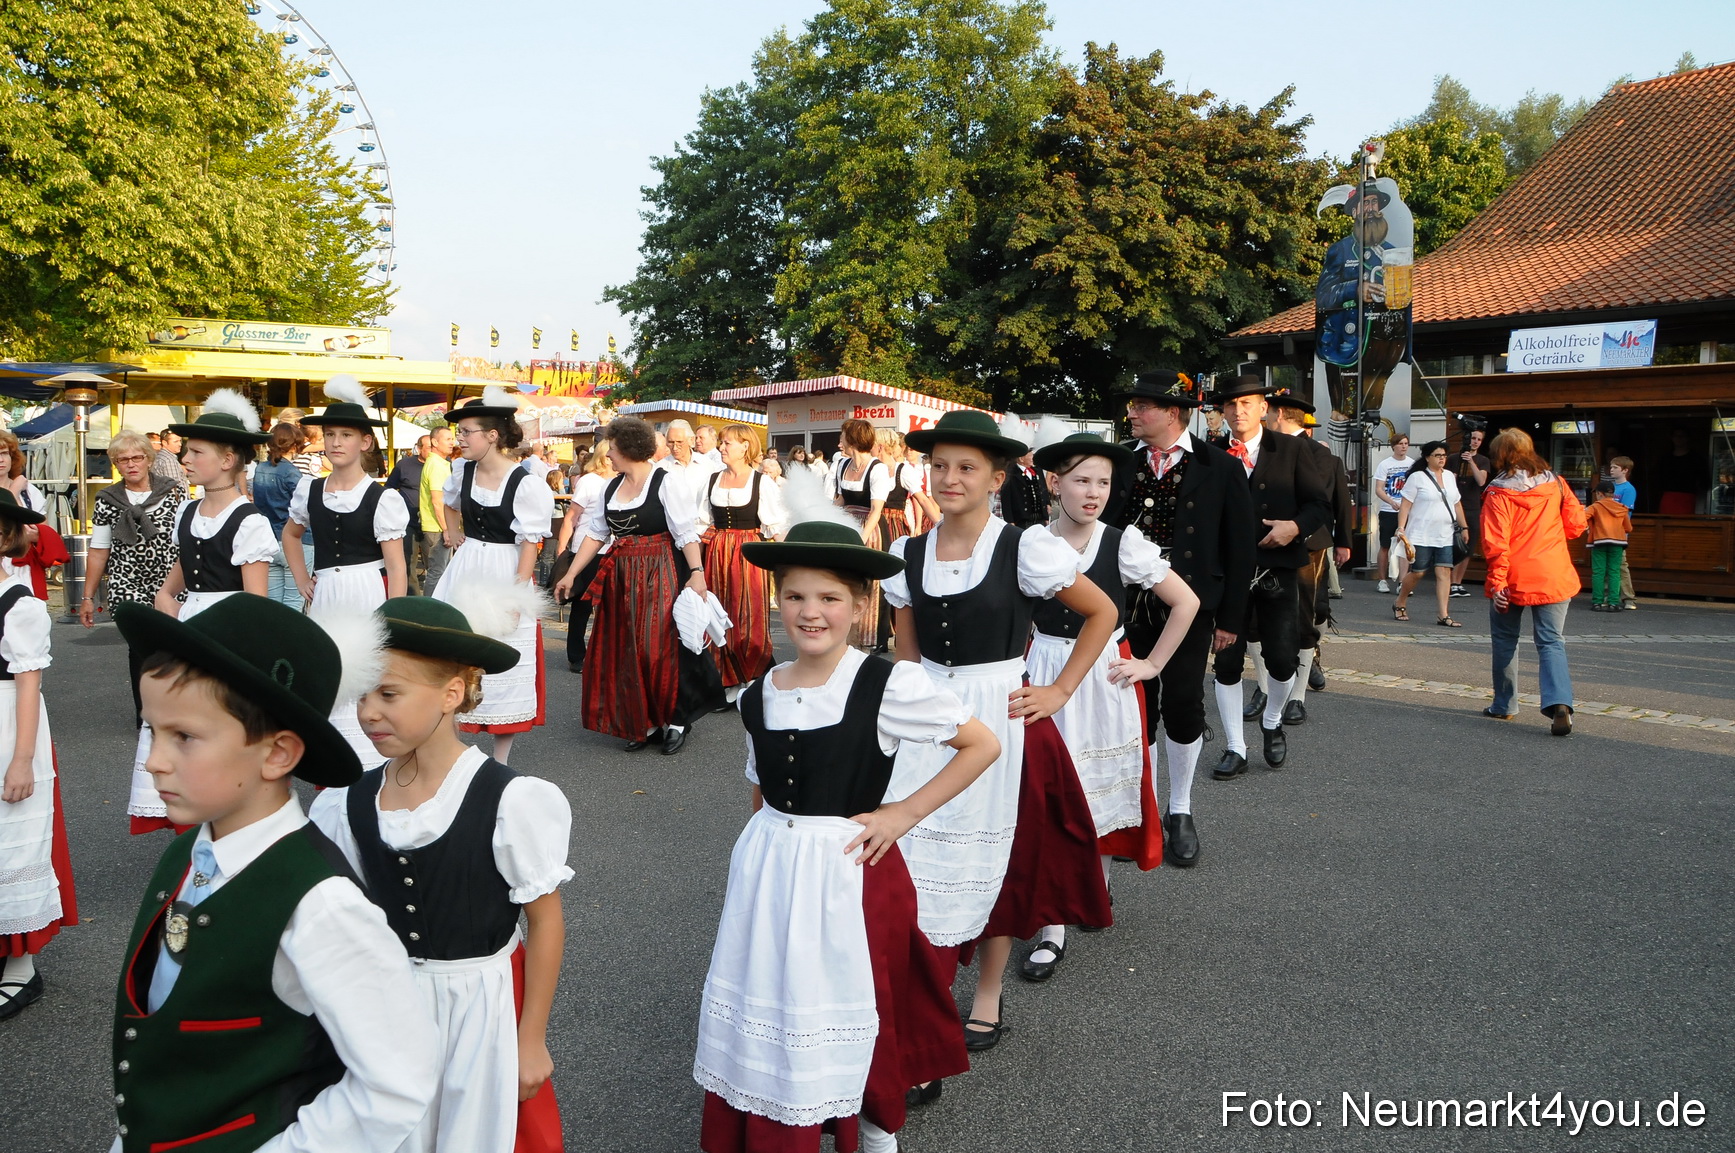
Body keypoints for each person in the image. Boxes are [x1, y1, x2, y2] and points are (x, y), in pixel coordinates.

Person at [695, 521, 996, 1153]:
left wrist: (902, 814)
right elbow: (761, 787)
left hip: (850, 871)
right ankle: (784, 1107)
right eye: (797, 597)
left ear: (862, 607)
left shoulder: (889, 684)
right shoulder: (760, 693)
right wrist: (764, 852)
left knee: (859, 1002)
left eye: (830, 598)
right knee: (776, 989)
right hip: (773, 867)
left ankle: (872, 1128)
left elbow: (980, 744)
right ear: (779, 601)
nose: (811, 612)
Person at [110, 595, 439, 1151]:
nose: (153, 762)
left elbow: (398, 1081)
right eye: (151, 732)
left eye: (183, 737)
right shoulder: (187, 853)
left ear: (278, 754)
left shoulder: (320, 906)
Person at [881, 410, 1116, 1054]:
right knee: (918, 853)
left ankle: (987, 992)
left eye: (966, 467)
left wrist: (1060, 689)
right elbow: (905, 658)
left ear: (996, 478)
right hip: (929, 711)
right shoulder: (908, 553)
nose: (949, 478)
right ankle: (918, 996)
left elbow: (1103, 612)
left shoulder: (1024, 544)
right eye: (940, 466)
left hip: (1000, 708)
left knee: (998, 856)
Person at [310, 598, 569, 1153]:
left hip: (481, 1006)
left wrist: (532, 1038)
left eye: (389, 694)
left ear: (451, 694)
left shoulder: (509, 800)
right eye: (362, 696)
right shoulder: (350, 802)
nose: (369, 713)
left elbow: (544, 923)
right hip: (391, 1007)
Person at [1019, 434, 1198, 983]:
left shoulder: (1121, 542)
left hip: (1104, 675)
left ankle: (1088, 891)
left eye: (1102, 481)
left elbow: (1186, 601)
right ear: (1054, 484)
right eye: (1080, 480)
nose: (1093, 492)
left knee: (1097, 784)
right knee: (1048, 792)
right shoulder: (1028, 541)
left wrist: (1151, 665)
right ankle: (1052, 925)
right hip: (1044, 668)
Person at [1104, 373, 1254, 868]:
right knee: (1133, 705)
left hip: (1193, 603)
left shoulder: (1219, 466)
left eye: (1142, 406)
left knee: (1185, 702)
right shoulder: (1121, 462)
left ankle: (1180, 809)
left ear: (1173, 412)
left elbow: (1240, 548)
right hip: (1125, 604)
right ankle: (1140, 809)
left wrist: (1232, 617)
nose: (1132, 414)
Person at [133, 392, 276, 835]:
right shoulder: (189, 509)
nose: (185, 458)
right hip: (189, 623)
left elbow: (255, 603)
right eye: (187, 450)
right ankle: (191, 825)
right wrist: (165, 595)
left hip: (225, 629)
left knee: (212, 723)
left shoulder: (249, 521)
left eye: (196, 452)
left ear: (229, 458)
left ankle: (224, 818)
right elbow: (182, 564)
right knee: (179, 719)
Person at [557, 416, 719, 757]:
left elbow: (685, 533)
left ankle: (675, 721)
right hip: (622, 575)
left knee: (659, 649)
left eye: (613, 449)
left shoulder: (665, 482)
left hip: (660, 571)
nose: (608, 455)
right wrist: (571, 573)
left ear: (629, 449)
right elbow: (597, 533)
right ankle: (643, 719)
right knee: (627, 648)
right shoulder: (610, 487)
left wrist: (696, 572)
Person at [284, 379, 412, 762]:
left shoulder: (382, 497)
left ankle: (370, 766)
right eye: (329, 434)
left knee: (366, 677)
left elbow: (397, 566)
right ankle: (333, 770)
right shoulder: (310, 489)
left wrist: (394, 617)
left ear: (365, 443)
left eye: (345, 435)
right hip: (326, 594)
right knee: (330, 677)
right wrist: (302, 579)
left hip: (367, 590)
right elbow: (291, 536)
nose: (335, 442)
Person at [1208, 375, 1329, 776]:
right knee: (1226, 664)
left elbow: (1318, 505)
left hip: (1276, 572)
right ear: (1222, 412)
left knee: (1281, 661)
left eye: (1247, 403)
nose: (1238, 411)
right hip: (1225, 575)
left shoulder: (1292, 449)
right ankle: (1235, 747)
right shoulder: (1209, 453)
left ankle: (1272, 720)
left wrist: (1294, 527)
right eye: (1230, 405)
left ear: (1265, 408)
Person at [434, 391, 555, 765]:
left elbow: (530, 541)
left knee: (505, 657)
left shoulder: (525, 482)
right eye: (459, 432)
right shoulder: (461, 471)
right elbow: (449, 504)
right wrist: (454, 535)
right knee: (456, 655)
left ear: (492, 436)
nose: (460, 438)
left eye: (467, 432)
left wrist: (517, 595)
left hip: (505, 568)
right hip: (468, 565)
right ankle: (454, 754)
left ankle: (500, 761)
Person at [0, 490, 76, 1021]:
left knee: (14, 836)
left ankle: (21, 969)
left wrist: (23, 759)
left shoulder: (20, 601)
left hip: (8, 724)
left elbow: (29, 686)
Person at [1481, 428, 1587, 736]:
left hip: (1513, 575)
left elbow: (1496, 543)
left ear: (1500, 455)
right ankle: (1560, 704)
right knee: (1551, 642)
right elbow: (1575, 526)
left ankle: (1504, 704)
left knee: (1505, 640)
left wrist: (1498, 583)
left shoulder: (1497, 492)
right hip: (1553, 572)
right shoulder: (1556, 483)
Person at [1262, 391, 1351, 721]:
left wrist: (1343, 542)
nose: (1265, 417)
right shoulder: (1261, 449)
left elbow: (1337, 500)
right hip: (1267, 543)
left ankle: (1298, 687)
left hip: (1310, 545)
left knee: (1309, 613)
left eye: (1268, 411)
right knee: (1262, 619)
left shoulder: (1322, 455)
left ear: (1280, 414)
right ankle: (1269, 689)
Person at [696, 425, 788, 695]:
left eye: (727, 443)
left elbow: (775, 526)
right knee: (718, 612)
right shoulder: (712, 480)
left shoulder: (762, 482)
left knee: (747, 613)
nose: (722, 448)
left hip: (749, 554)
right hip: (717, 552)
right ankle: (724, 677)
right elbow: (701, 522)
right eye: (722, 443)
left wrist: (784, 565)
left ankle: (751, 672)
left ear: (745, 447)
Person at [82, 429, 185, 640]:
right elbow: (99, 551)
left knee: (173, 647)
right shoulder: (106, 499)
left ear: (149, 459)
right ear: (116, 464)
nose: (131, 464)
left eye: (137, 457)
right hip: (126, 584)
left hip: (171, 583)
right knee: (140, 647)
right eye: (123, 459)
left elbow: (188, 543)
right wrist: (87, 597)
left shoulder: (173, 492)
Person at [1392, 441, 1469, 628]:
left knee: (1444, 571)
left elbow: (1456, 503)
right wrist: (1401, 528)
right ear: (1427, 457)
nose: (1442, 458)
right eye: (1437, 455)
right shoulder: (1417, 477)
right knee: (1418, 572)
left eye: (1444, 455)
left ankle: (1443, 614)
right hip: (1420, 533)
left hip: (1444, 533)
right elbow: (1406, 505)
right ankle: (1400, 601)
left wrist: (1464, 527)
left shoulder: (1450, 476)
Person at [555, 438, 615, 675]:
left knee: (610, 606)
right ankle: (577, 656)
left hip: (612, 549)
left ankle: (604, 654)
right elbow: (572, 516)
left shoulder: (622, 480)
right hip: (586, 550)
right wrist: (562, 549)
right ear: (605, 456)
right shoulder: (589, 481)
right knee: (582, 605)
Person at [834, 418, 893, 648]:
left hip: (869, 529)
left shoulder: (876, 468)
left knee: (870, 585)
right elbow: (839, 499)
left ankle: (868, 641)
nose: (839, 440)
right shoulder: (842, 464)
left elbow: (876, 510)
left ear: (852, 438)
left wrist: (860, 539)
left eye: (842, 435)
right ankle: (844, 637)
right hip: (846, 524)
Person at [0, 429, 65, 600]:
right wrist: (14, 490)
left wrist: (36, 535)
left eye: (4, 453)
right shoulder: (20, 488)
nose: (1, 459)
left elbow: (42, 529)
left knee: (26, 613)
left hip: (24, 567)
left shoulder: (29, 492)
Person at [252, 423, 309, 609]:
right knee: (295, 600)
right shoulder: (291, 472)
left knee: (274, 605)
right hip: (296, 540)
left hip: (269, 539)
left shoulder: (260, 468)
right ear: (294, 445)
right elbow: (303, 507)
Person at [387, 434, 432, 593]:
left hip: (432, 523)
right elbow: (388, 489)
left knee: (433, 564)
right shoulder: (404, 465)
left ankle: (433, 601)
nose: (433, 450)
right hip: (408, 522)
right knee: (407, 562)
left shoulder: (443, 464)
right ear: (419, 448)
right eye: (429, 447)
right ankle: (413, 599)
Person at [1450, 427, 1490, 597]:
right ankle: (1450, 582)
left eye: (1478, 439)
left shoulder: (1483, 460)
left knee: (1468, 546)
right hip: (1455, 506)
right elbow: (1449, 482)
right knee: (1453, 544)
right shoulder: (1453, 459)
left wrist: (1471, 462)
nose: (1475, 442)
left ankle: (1458, 582)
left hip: (1473, 507)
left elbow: (1481, 481)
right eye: (1473, 438)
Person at [1371, 435, 1413, 592]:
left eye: (1406, 444)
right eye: (1400, 444)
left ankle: (1403, 581)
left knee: (1405, 545)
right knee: (1385, 545)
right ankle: (1382, 580)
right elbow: (1379, 489)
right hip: (1389, 510)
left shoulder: (1412, 464)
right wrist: (1391, 502)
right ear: (1394, 446)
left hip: (1406, 510)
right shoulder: (1385, 464)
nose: (1403, 446)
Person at [1586, 479, 1633, 612]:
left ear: (1600, 494)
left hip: (1599, 542)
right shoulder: (1622, 508)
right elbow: (1628, 528)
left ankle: (1597, 602)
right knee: (1614, 572)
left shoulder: (1595, 507)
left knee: (1598, 572)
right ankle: (1613, 603)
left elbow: (1582, 517)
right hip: (1618, 543)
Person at [420, 425, 456, 592]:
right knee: (437, 573)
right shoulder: (435, 464)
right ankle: (430, 612)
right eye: (448, 439)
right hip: (437, 527)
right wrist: (447, 529)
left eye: (452, 439)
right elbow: (437, 501)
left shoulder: (439, 463)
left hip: (438, 526)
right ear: (435, 441)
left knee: (440, 572)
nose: (452, 442)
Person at [659, 418, 722, 494]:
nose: (675, 447)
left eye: (679, 442)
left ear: (691, 440)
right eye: (671, 442)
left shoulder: (708, 464)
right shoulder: (660, 468)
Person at [1608, 456, 1639, 610]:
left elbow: (1625, 512)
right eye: (1611, 467)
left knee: (1620, 564)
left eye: (1615, 467)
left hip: (1619, 532)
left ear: (1625, 470)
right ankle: (1612, 594)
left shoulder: (1628, 489)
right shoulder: (1611, 487)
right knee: (1609, 564)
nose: (1611, 470)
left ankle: (1628, 597)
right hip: (1606, 531)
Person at [1655, 427, 1707, 514]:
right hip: (1668, 496)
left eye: (1682, 436)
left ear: (1687, 438)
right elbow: (1658, 477)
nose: (1679, 439)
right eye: (1676, 436)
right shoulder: (1665, 458)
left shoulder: (1696, 458)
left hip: (1687, 496)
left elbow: (1703, 479)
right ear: (1672, 438)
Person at [996, 446, 1051, 528]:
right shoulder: (1011, 472)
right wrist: (1010, 521)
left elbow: (1043, 489)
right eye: (1030, 454)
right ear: (1021, 458)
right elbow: (1006, 498)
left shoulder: (1037, 470)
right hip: (1022, 520)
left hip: (1040, 518)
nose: (1033, 457)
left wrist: (1047, 505)